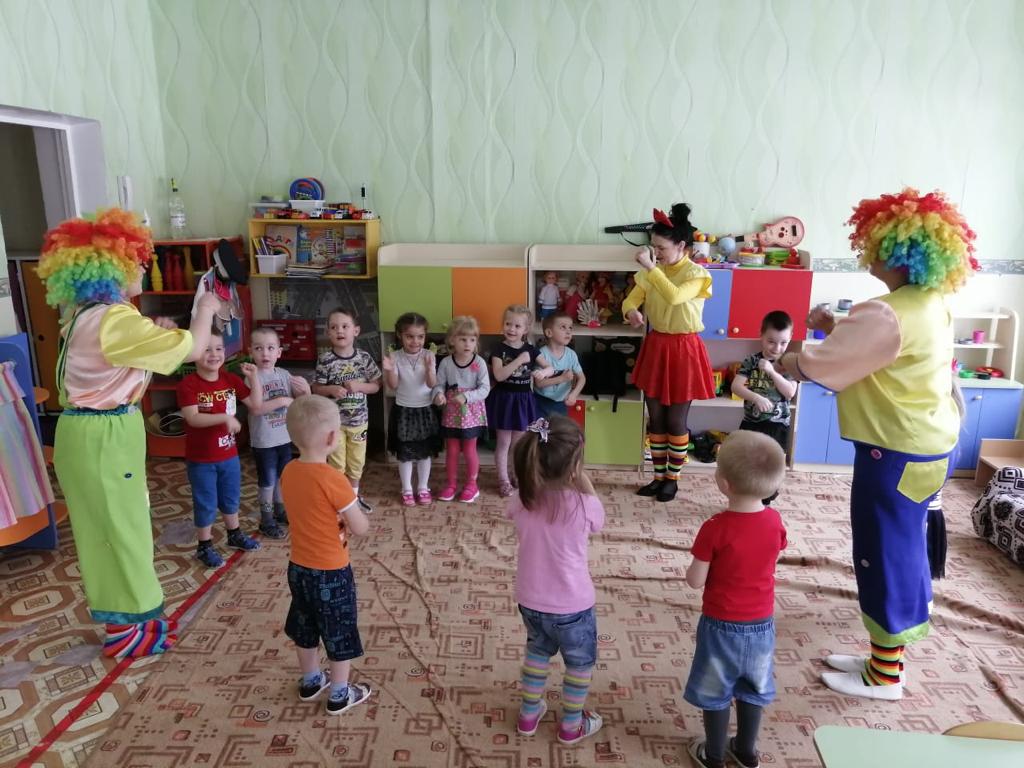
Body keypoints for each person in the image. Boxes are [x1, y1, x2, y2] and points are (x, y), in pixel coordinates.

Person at [776, 188, 979, 700]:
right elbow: (882, 348)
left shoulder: (886, 311)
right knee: (903, 545)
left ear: (897, 253)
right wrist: (834, 328)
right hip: (928, 444)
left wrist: (789, 359)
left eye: (876, 247)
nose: (869, 256)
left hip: (894, 453)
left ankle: (885, 675)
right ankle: (885, 655)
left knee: (883, 553)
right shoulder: (931, 303)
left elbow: (821, 366)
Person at [37, 208, 220, 658]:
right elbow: (194, 349)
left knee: (117, 527)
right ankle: (127, 630)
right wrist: (205, 308)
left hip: (97, 432)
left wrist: (157, 333)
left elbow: (121, 361)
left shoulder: (90, 315)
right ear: (112, 268)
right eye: (137, 261)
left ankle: (136, 619)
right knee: (118, 530)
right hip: (102, 436)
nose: (143, 268)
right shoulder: (113, 320)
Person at [683, 431, 787, 768]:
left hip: (721, 625)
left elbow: (695, 580)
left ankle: (713, 756)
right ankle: (745, 751)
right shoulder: (775, 521)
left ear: (724, 484)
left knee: (716, 690)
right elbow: (774, 552)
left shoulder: (715, 527)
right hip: (762, 625)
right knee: (753, 687)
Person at [507, 416, 605, 745]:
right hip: (574, 605)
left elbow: (514, 508)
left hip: (530, 599)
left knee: (537, 652)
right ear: (575, 467)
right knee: (578, 665)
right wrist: (584, 482)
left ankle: (528, 715)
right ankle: (571, 725)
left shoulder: (521, 499)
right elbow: (599, 522)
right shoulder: (585, 504)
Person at [280, 394, 372, 715]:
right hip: (332, 570)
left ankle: (310, 681)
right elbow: (359, 527)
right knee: (339, 629)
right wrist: (359, 515)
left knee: (304, 625)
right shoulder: (334, 479)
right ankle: (339, 694)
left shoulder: (289, 470)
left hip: (298, 568)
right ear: (333, 438)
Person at [623, 203, 716, 502]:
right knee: (656, 419)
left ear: (681, 246)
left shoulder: (697, 274)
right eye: (654, 247)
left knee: (676, 421)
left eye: (661, 248)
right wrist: (631, 312)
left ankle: (672, 480)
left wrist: (652, 269)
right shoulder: (654, 272)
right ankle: (658, 477)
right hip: (656, 346)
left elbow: (675, 297)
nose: (656, 253)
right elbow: (630, 300)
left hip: (684, 349)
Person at [178, 328, 264, 568]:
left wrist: (254, 378)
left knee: (230, 497)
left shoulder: (230, 380)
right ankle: (204, 546)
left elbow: (256, 405)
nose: (214, 354)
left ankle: (234, 534)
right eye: (206, 349)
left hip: (229, 456)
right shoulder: (188, 385)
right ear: (194, 353)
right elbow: (193, 418)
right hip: (201, 460)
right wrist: (224, 418)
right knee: (205, 502)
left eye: (218, 348)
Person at [312, 307, 381, 513]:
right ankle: (339, 499)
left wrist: (359, 386)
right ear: (328, 332)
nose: (339, 331)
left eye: (344, 326)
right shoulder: (325, 360)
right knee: (337, 463)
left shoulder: (364, 358)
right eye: (334, 327)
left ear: (356, 331)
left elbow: (376, 386)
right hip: (334, 424)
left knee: (357, 462)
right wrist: (331, 389)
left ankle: (353, 498)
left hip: (359, 423)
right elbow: (316, 389)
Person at [246, 326, 311, 538]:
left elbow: (299, 403)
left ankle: (280, 511)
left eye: (270, 348)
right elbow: (256, 409)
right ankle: (266, 520)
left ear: (279, 352)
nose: (265, 353)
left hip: (284, 438)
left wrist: (305, 391)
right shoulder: (251, 377)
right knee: (267, 481)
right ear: (250, 352)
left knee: (282, 477)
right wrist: (282, 400)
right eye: (259, 348)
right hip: (264, 441)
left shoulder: (284, 375)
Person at [732, 310, 797, 503]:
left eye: (783, 342)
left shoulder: (790, 363)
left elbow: (790, 392)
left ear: (791, 338)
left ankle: (766, 500)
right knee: (747, 462)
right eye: (771, 341)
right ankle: (747, 497)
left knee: (771, 465)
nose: (777, 348)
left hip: (777, 424)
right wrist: (755, 398)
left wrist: (772, 371)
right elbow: (736, 386)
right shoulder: (751, 360)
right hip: (752, 422)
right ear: (761, 335)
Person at [489, 304, 552, 497]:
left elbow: (550, 368)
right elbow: (499, 376)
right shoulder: (498, 349)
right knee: (503, 443)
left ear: (526, 329)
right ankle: (503, 480)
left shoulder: (531, 350)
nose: (511, 329)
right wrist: (518, 360)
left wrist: (543, 373)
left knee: (518, 444)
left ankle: (515, 475)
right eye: (508, 324)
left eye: (517, 326)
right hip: (504, 401)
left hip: (523, 401)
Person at [382, 312, 442, 506]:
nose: (415, 341)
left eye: (420, 337)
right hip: (404, 411)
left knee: (424, 452)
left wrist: (430, 368)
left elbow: (432, 384)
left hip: (425, 410)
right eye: (410, 336)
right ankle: (407, 488)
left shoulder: (429, 355)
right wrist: (389, 369)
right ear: (400, 335)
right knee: (405, 453)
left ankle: (423, 487)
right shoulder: (395, 356)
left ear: (425, 336)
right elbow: (393, 385)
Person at [433, 316, 490, 503]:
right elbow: (439, 384)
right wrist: (438, 394)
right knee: (452, 449)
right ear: (452, 340)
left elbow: (485, 389)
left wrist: (467, 397)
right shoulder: (446, 363)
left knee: (469, 449)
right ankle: (451, 484)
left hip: (471, 413)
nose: (468, 344)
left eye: (472, 340)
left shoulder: (479, 363)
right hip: (452, 413)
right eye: (463, 339)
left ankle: (472, 485)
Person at [534, 312, 586, 418]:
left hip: (561, 404)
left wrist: (574, 394)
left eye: (570, 328)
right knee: (539, 428)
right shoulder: (541, 354)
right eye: (563, 327)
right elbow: (539, 383)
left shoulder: (571, 354)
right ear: (549, 333)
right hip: (540, 402)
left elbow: (582, 378)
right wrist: (562, 379)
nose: (568, 331)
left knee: (559, 428)